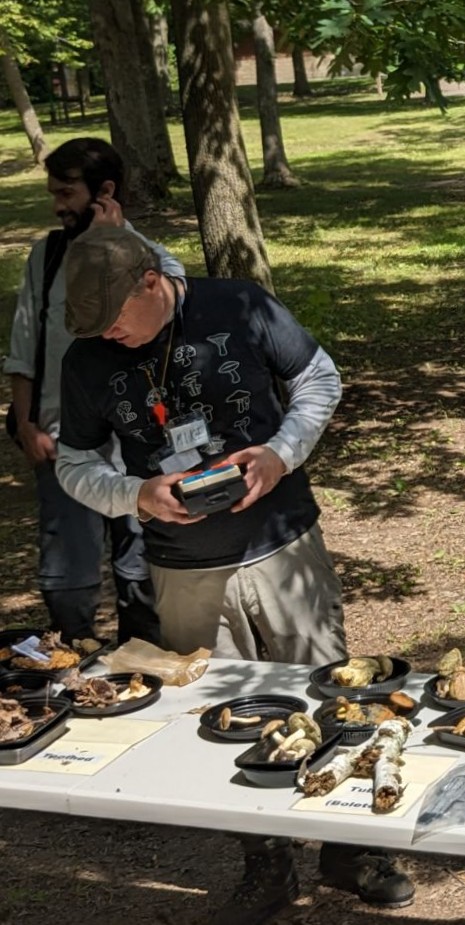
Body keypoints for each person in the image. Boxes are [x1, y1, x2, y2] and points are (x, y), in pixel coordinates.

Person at [53, 225, 414, 925]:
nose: (108, 336)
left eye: (116, 320)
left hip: (283, 546)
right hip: (183, 568)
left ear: (150, 282)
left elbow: (319, 377)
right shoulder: (87, 359)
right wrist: (135, 494)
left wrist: (280, 453)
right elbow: (73, 463)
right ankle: (266, 865)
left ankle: (350, 849)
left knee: (330, 694)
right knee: (223, 719)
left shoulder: (237, 306)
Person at [4, 137, 168, 646]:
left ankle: (144, 668)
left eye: (67, 192)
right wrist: (27, 424)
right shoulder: (47, 255)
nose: (58, 205)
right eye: (53, 193)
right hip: (61, 440)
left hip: (137, 447)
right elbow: (25, 342)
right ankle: (70, 672)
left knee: (141, 567)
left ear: (105, 191)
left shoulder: (150, 259)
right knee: (66, 573)